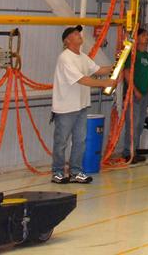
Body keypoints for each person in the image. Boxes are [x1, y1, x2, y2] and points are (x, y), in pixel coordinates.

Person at [51, 26, 116, 184]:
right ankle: (57, 172)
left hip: (81, 105)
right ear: (67, 40)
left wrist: (117, 66)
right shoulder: (65, 58)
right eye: (74, 33)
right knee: (61, 141)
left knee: (80, 140)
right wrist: (105, 83)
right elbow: (82, 79)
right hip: (66, 108)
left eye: (78, 32)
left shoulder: (83, 57)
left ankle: (76, 172)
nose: (79, 35)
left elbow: (98, 70)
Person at [119, 25, 148, 162]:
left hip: (144, 94)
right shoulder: (132, 55)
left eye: (147, 35)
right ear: (137, 38)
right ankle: (128, 152)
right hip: (133, 95)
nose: (147, 38)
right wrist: (135, 90)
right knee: (132, 123)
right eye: (144, 35)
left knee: (139, 124)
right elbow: (127, 73)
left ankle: (135, 150)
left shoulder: (147, 56)